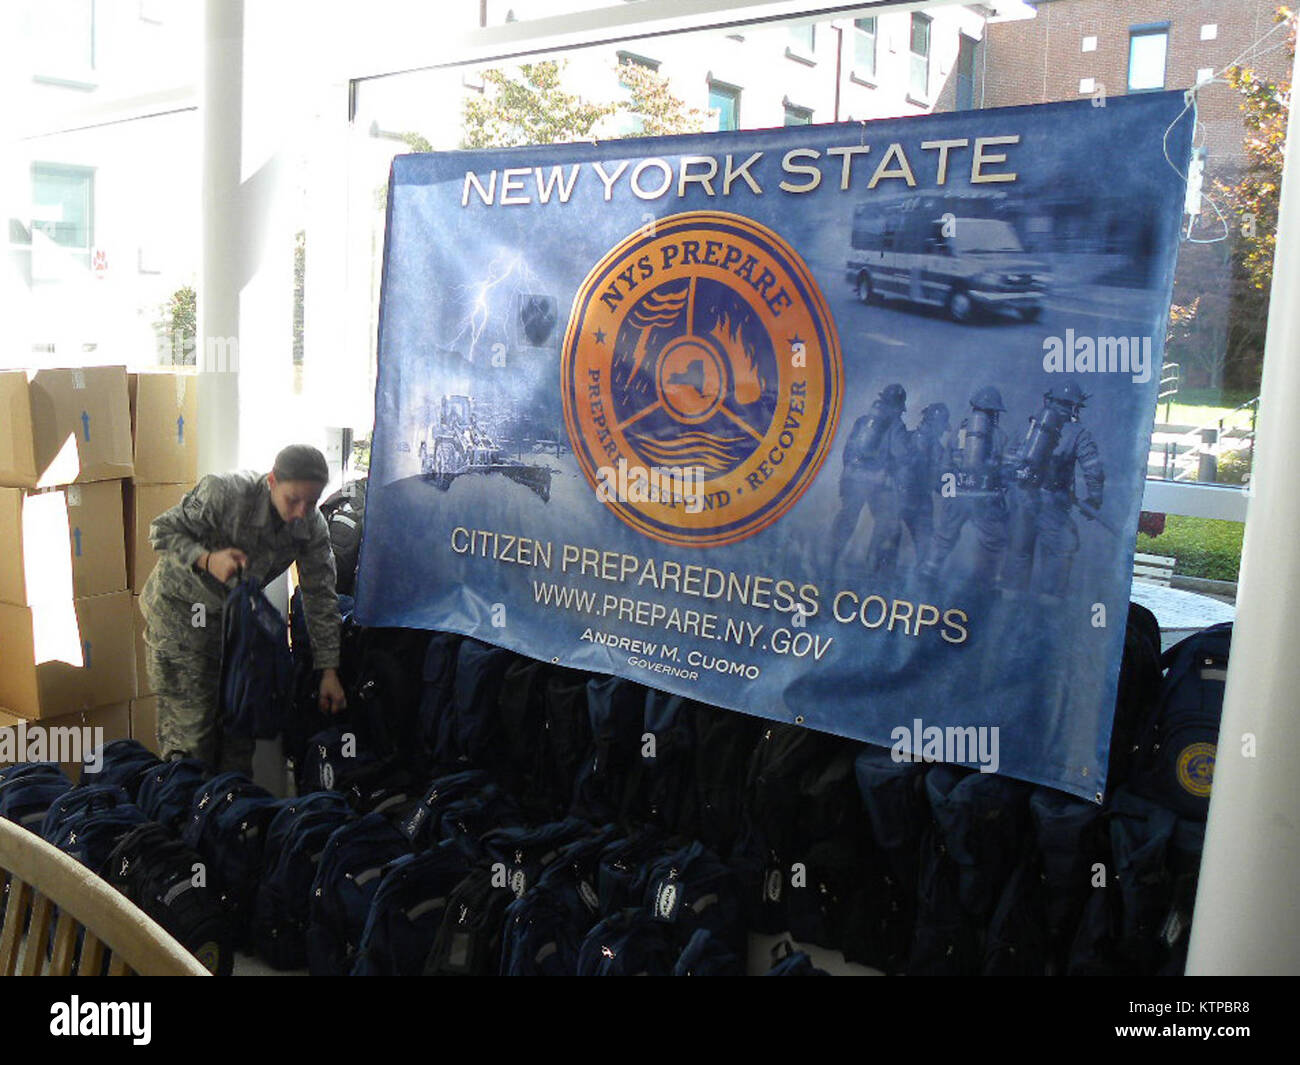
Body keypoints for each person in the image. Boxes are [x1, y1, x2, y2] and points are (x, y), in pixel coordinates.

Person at [139, 444, 346, 772]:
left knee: (239, 736)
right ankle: (184, 817)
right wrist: (207, 559)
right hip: (182, 619)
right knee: (193, 743)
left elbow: (320, 597)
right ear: (272, 480)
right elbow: (161, 531)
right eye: (293, 500)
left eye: (312, 502)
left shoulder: (311, 525)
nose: (300, 513)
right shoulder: (225, 493)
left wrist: (329, 670)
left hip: (237, 631)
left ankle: (231, 815)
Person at [1002, 380, 1105, 598]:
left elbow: (1008, 462)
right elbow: (1093, 469)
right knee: (1059, 553)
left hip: (1021, 499)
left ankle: (1008, 609)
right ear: (1075, 406)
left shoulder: (1027, 427)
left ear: (1049, 399)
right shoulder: (1078, 433)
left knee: (1018, 553)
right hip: (1052, 504)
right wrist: (1094, 499)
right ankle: (1047, 613)